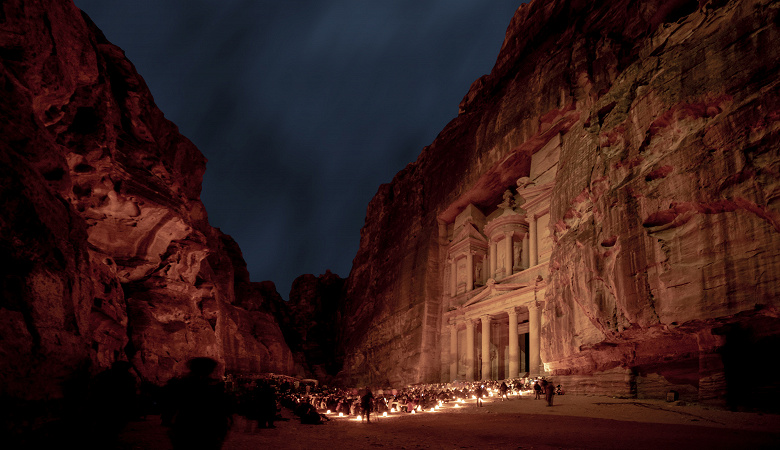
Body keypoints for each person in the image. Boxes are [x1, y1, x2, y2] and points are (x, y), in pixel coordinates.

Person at [164, 357, 232, 449]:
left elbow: (174, 405)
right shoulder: (215, 387)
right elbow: (221, 411)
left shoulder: (183, 385)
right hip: (208, 429)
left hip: (186, 427)